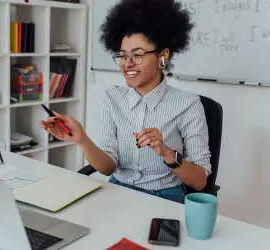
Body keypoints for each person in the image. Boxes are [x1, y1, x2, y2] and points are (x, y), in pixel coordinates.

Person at [41, 0, 211, 203]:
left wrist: (166, 153)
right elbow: (107, 168)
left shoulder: (188, 104)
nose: (127, 63)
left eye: (137, 55)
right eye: (122, 56)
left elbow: (200, 181)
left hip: (165, 198)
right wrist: (81, 139)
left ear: (163, 57)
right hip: (118, 192)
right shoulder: (111, 98)